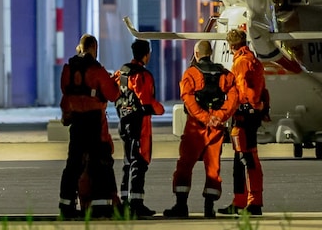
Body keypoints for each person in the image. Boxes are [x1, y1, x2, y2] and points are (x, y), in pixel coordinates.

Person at [163, 40, 237, 218]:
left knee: (185, 164)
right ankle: (208, 207)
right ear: (210, 53)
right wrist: (220, 116)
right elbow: (234, 97)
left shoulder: (191, 73)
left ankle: (181, 206)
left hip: (196, 126)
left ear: (196, 54)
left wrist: (205, 117)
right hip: (216, 126)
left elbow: (187, 99)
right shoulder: (224, 74)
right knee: (213, 167)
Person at [58, 33, 121, 219]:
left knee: (73, 165)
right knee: (100, 163)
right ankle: (103, 206)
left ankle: (66, 206)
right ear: (94, 48)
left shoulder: (68, 69)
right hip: (94, 122)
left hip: (77, 122)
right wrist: (113, 82)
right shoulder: (97, 70)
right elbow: (113, 94)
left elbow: (66, 94)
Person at [113, 39, 165, 218]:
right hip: (139, 125)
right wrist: (160, 109)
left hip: (123, 122)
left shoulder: (122, 72)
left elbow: (113, 93)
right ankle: (136, 204)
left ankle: (125, 201)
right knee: (139, 162)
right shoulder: (143, 75)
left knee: (127, 163)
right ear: (146, 54)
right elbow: (146, 101)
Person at [219, 28, 268, 217]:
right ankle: (241, 200)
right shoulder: (254, 61)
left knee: (247, 159)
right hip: (251, 116)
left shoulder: (240, 63)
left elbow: (243, 91)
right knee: (241, 160)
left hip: (243, 117)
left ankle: (253, 202)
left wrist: (226, 112)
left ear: (232, 46)